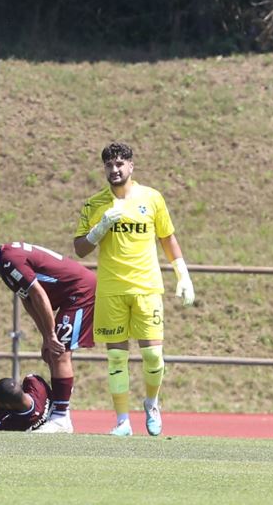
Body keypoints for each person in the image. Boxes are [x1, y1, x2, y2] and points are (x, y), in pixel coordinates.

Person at [73, 142, 195, 437]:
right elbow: (79, 249)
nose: (114, 170)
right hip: (112, 289)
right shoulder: (94, 204)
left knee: (154, 356)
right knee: (116, 358)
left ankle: (151, 403)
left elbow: (167, 237)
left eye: (119, 164)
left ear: (131, 166)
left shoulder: (151, 198)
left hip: (146, 287)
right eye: (109, 166)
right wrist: (99, 228)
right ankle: (122, 421)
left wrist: (183, 274)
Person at [0, 240, 96, 433]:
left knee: (60, 353)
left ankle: (61, 418)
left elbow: (38, 294)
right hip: (68, 297)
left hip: (80, 293)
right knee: (52, 353)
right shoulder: (5, 267)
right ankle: (60, 412)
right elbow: (29, 301)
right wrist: (46, 337)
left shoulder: (10, 261)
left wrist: (51, 335)